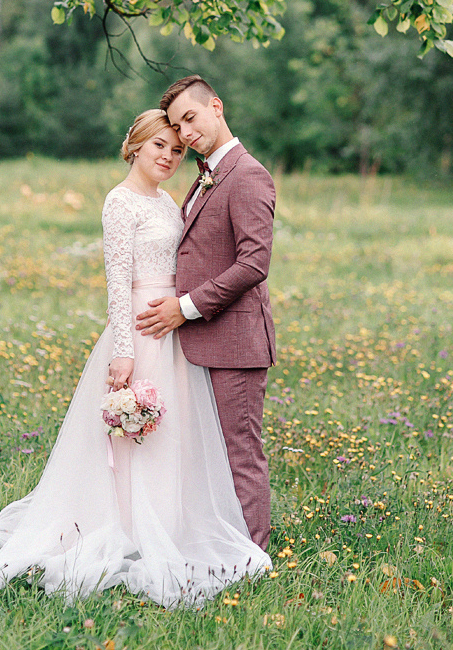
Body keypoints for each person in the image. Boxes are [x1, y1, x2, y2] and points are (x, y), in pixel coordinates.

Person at [0, 109, 271, 607]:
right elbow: (117, 283)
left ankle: (169, 524)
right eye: (159, 146)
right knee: (134, 439)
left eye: (177, 150)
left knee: (172, 434)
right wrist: (122, 351)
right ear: (135, 145)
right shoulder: (120, 202)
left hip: (176, 328)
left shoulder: (167, 202)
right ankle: (126, 528)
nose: (169, 157)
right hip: (139, 327)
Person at [136, 76, 277, 551]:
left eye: (191, 118)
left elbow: (254, 263)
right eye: (177, 126)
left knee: (239, 453)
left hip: (234, 342)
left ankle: (252, 556)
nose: (186, 132)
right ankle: (218, 544)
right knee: (206, 453)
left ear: (216, 106)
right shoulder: (205, 174)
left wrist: (185, 307)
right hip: (201, 342)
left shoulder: (248, 174)